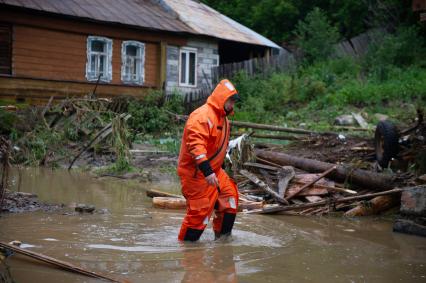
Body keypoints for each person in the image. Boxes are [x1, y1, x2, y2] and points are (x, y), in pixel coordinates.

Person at [177, 79, 240, 242]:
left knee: (230, 198)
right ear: (222, 98)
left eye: (234, 101)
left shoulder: (223, 119)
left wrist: (218, 169)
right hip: (196, 174)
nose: (233, 105)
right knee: (199, 214)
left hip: (215, 171)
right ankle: (186, 249)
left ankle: (223, 241)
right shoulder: (201, 116)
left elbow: (219, 147)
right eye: (231, 101)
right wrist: (207, 172)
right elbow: (196, 147)